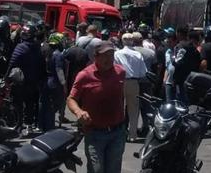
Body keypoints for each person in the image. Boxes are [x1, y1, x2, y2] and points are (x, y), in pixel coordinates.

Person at [67, 41, 126, 173]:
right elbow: (71, 99)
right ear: (96, 57)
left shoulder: (120, 72)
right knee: (96, 170)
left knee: (113, 170)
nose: (109, 59)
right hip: (95, 133)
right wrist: (78, 111)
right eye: (105, 55)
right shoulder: (85, 75)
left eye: (111, 55)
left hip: (117, 132)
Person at [7, 23, 46, 135]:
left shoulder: (21, 46)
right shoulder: (37, 47)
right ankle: (28, 125)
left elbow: (12, 62)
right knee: (30, 103)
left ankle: (19, 124)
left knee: (18, 103)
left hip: (20, 81)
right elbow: (42, 64)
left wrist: (6, 78)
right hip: (33, 81)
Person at [114, 33, 147, 142]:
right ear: (132, 41)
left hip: (120, 82)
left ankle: (120, 133)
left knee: (119, 108)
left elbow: (114, 69)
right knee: (133, 110)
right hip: (134, 82)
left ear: (122, 41)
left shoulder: (117, 53)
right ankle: (132, 135)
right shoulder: (137, 55)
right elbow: (143, 72)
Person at [39, 32, 66, 132]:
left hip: (45, 82)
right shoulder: (58, 55)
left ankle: (42, 125)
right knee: (52, 106)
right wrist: (64, 85)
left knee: (44, 104)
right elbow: (59, 70)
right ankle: (50, 127)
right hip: (54, 83)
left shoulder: (46, 51)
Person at [172, 26, 201, 103]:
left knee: (180, 101)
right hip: (192, 77)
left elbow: (177, 62)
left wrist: (173, 60)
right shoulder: (192, 46)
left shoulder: (180, 46)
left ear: (178, 34)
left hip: (180, 78)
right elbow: (198, 59)